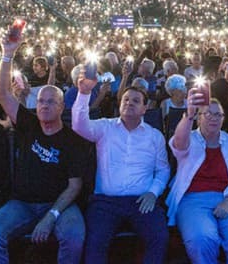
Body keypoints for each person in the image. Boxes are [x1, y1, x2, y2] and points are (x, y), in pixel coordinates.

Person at [0, 30, 88, 264]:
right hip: (22, 203)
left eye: (51, 102)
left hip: (59, 204)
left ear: (62, 107)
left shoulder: (73, 140)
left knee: (74, 236)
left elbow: (74, 186)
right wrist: (7, 54)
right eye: (41, 101)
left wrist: (51, 216)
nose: (44, 106)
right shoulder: (29, 124)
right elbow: (2, 93)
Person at [72, 74, 170, 264]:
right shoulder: (105, 127)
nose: (129, 103)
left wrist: (153, 192)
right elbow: (79, 126)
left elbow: (163, 170)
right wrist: (84, 93)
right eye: (126, 99)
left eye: (135, 101)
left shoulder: (155, 136)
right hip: (106, 202)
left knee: (160, 237)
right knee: (95, 241)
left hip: (142, 201)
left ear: (145, 108)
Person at [167, 91, 228, 263]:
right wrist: (189, 114)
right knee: (201, 237)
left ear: (223, 119)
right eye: (208, 113)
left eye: (218, 114)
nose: (213, 118)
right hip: (193, 200)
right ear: (198, 118)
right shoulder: (189, 139)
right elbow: (178, 143)